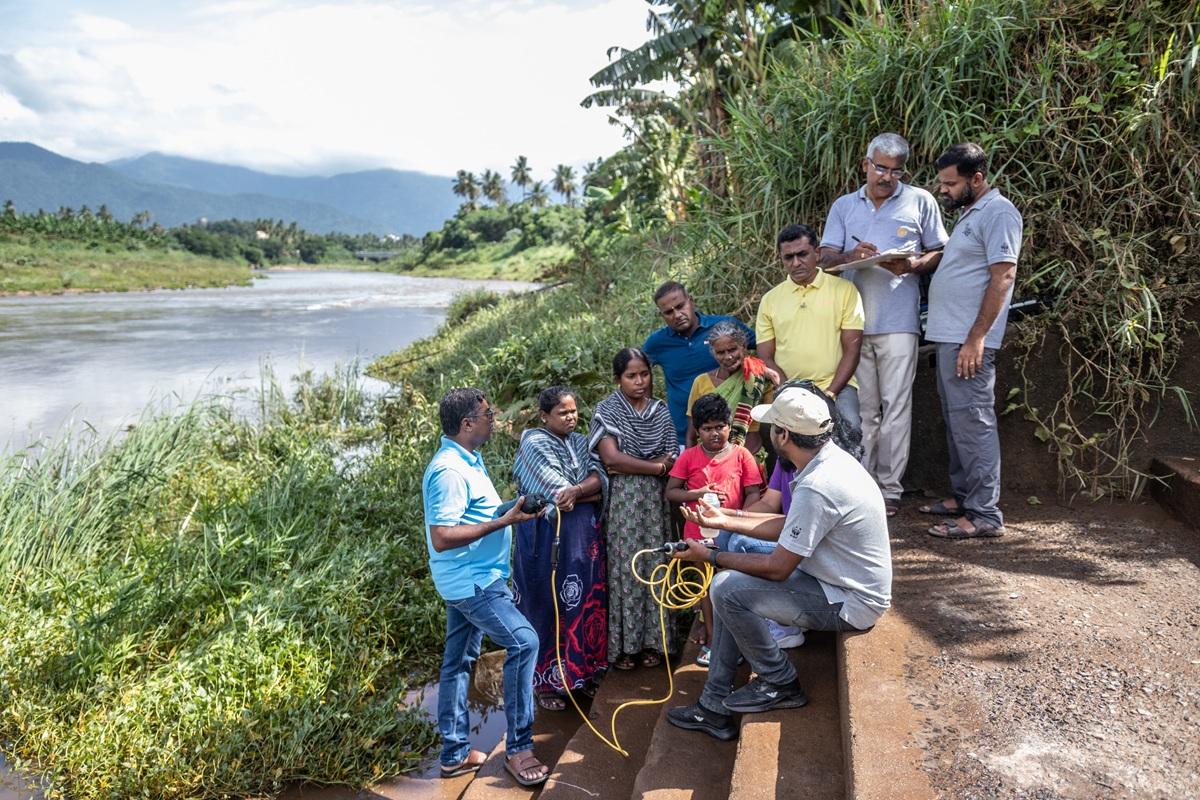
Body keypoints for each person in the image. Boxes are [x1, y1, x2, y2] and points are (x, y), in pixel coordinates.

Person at [663, 387, 892, 741]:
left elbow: (778, 568)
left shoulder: (818, 484)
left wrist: (708, 555)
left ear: (782, 435)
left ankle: (779, 682)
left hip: (849, 601)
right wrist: (725, 518)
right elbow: (789, 524)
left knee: (725, 588)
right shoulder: (825, 461)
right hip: (831, 579)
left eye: (771, 427)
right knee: (731, 548)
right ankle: (713, 705)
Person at [421, 387, 549, 786]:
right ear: (467, 423)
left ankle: (455, 754)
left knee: (458, 660)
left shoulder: (468, 460)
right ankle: (519, 749)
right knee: (523, 642)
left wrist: (509, 507)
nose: (493, 418)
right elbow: (442, 535)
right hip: (473, 582)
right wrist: (503, 522)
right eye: (488, 414)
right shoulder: (449, 471)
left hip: (471, 575)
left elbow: (471, 514)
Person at [819, 133, 949, 517]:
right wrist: (852, 254)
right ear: (865, 165)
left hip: (899, 320)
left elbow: (939, 250)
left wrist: (912, 265)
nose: (886, 177)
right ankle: (863, 486)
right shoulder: (844, 206)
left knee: (897, 407)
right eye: (880, 168)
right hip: (853, 324)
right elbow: (826, 258)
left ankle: (889, 491)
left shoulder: (919, 200)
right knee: (863, 409)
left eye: (895, 171)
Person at [921, 142, 1023, 540]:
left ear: (976, 179)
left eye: (950, 183)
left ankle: (984, 515)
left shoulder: (999, 212)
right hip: (951, 337)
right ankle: (965, 497)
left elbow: (1003, 276)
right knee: (957, 423)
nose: (943, 190)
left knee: (974, 423)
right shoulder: (970, 214)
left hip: (969, 340)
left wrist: (977, 337)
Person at [511, 386, 609, 712]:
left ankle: (582, 672)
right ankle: (547, 683)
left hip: (582, 540)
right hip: (544, 538)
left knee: (585, 602)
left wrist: (580, 490)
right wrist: (585, 491)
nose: (570, 417)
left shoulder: (582, 442)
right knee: (545, 604)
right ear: (544, 416)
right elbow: (555, 493)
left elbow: (601, 478)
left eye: (573, 411)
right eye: (562, 413)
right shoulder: (533, 443)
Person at [589, 347, 679, 670]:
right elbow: (611, 459)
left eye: (644, 374)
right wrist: (654, 467)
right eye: (631, 376)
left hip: (655, 501)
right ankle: (626, 646)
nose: (640, 381)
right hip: (625, 501)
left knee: (655, 564)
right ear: (618, 380)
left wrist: (644, 466)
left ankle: (655, 643)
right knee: (626, 569)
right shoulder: (608, 410)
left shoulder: (660, 410)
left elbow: (671, 456)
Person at [665, 393, 763, 665]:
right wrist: (698, 493)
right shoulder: (689, 458)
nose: (714, 433)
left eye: (720, 426)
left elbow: (753, 492)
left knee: (731, 586)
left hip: (733, 534)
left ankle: (739, 643)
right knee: (706, 590)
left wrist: (742, 519)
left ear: (730, 426)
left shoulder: (742, 456)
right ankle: (711, 641)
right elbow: (671, 492)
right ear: (697, 431)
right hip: (697, 535)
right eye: (707, 428)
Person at [757, 224, 866, 436]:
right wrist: (787, 391)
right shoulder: (770, 300)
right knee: (788, 447)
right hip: (791, 391)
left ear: (817, 253)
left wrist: (830, 393)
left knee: (850, 432)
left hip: (838, 387)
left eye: (802, 254)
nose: (796, 263)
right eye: (788, 257)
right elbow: (765, 357)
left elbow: (852, 350)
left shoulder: (844, 290)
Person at [643, 281, 756, 447]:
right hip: (683, 437)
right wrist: (647, 410)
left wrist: (762, 371)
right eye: (668, 312)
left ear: (691, 300)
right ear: (662, 315)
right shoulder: (657, 343)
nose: (677, 315)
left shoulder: (722, 328)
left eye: (680, 306)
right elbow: (637, 371)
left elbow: (764, 346)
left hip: (735, 432)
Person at [684, 320, 777, 456]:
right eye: (721, 352)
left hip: (750, 454)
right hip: (710, 460)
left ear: (743, 346)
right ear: (713, 352)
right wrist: (690, 464)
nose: (728, 357)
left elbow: (773, 423)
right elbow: (691, 434)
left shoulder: (758, 378)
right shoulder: (701, 382)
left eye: (732, 349)